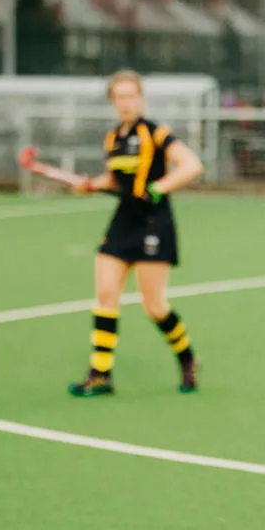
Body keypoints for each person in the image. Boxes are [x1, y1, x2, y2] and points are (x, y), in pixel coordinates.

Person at [69, 69, 204, 397]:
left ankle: (187, 358)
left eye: (131, 96)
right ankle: (100, 374)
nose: (125, 103)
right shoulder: (113, 138)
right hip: (123, 222)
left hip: (153, 224)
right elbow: (114, 180)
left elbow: (191, 165)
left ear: (141, 98)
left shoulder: (156, 133)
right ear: (112, 101)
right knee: (106, 294)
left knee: (154, 306)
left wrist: (160, 187)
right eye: (119, 97)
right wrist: (90, 185)